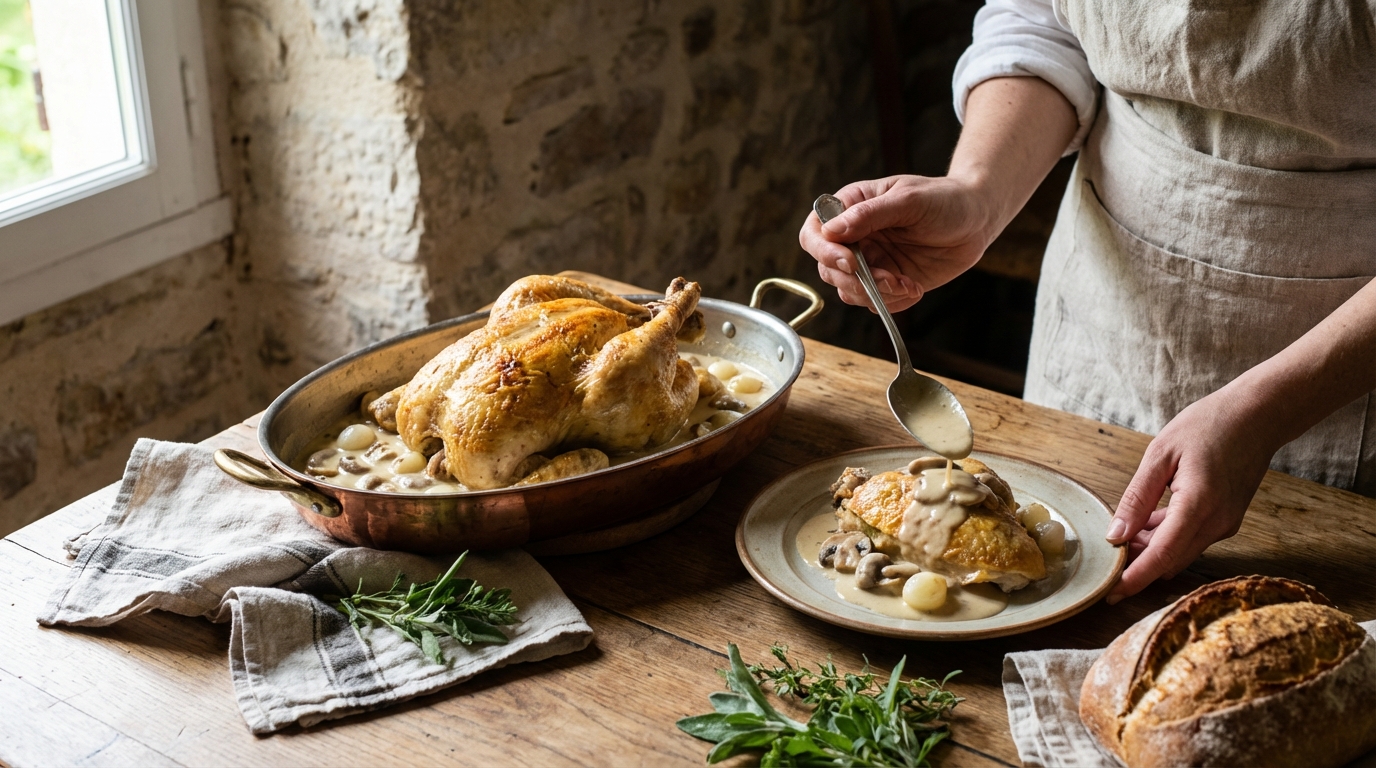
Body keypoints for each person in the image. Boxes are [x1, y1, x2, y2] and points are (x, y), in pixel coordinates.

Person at [798, 0, 1376, 603]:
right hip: (1099, 319)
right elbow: (1041, 22)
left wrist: (1267, 413)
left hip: (1340, 375)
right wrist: (977, 195)